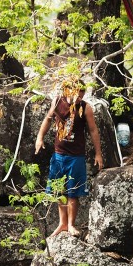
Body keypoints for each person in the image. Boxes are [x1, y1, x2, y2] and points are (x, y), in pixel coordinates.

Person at [35, 80, 103, 237]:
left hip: (76, 157)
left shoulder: (86, 108)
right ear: (67, 91)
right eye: (76, 96)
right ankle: (62, 223)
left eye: (81, 96)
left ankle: (71, 224)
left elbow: (93, 130)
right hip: (59, 155)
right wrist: (40, 138)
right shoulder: (58, 101)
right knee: (59, 191)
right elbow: (48, 119)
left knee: (73, 192)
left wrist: (98, 153)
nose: (79, 99)